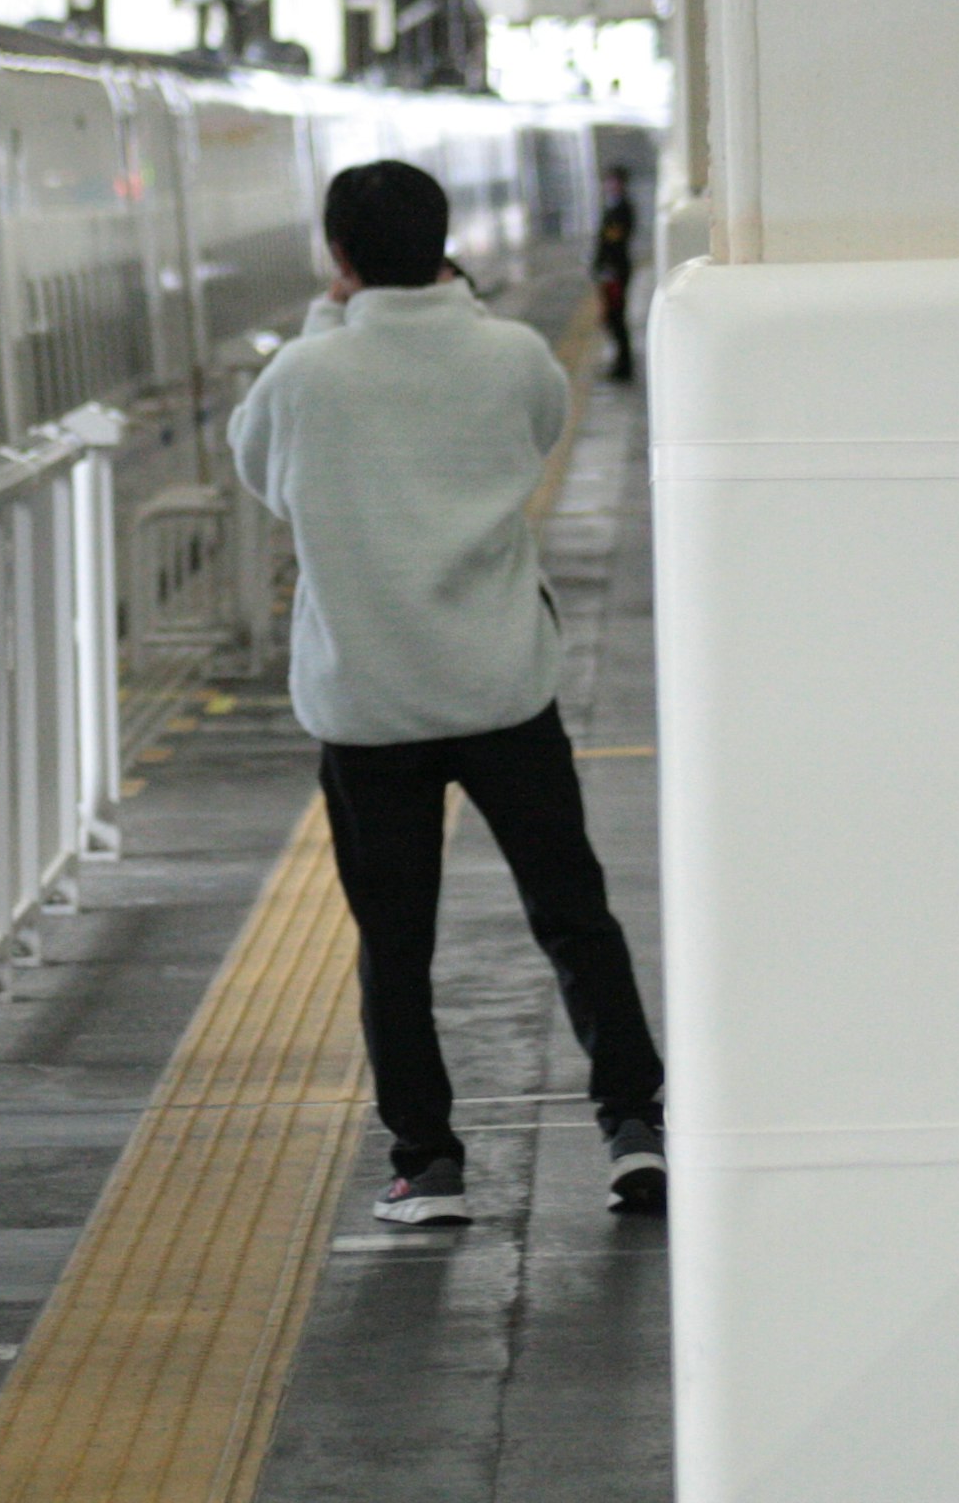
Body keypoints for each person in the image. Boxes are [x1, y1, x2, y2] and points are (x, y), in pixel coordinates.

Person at [227, 158, 666, 1226]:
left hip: (370, 705)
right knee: (573, 915)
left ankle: (428, 1163)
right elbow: (543, 427)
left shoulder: (302, 376)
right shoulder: (511, 355)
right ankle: (635, 1127)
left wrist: (333, 330)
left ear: (338, 260)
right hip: (504, 687)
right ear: (444, 241)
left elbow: (259, 473)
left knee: (397, 945)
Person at [592, 165, 640, 382]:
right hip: (610, 271)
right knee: (612, 317)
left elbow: (613, 241)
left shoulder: (622, 208)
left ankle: (624, 366)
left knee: (616, 317)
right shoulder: (613, 206)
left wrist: (606, 267)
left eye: (614, 181)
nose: (610, 185)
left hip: (615, 271)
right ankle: (620, 363)